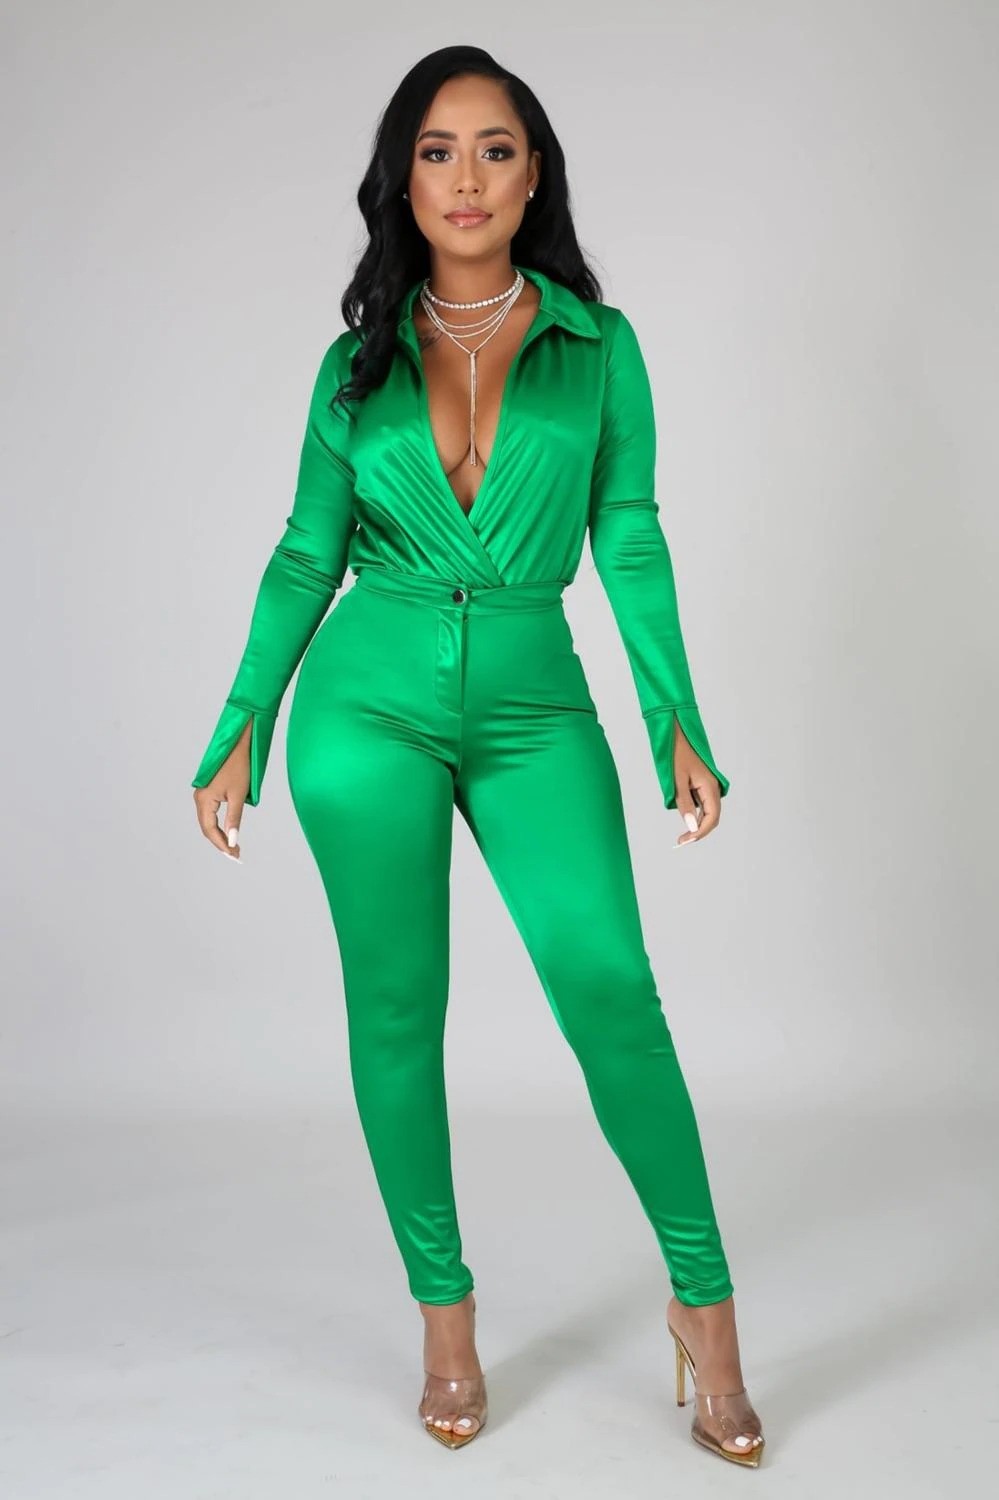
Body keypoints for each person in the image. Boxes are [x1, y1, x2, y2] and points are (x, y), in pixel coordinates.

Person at [190, 45, 765, 1466]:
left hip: (532, 706)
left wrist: (674, 717)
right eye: (437, 152)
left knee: (609, 986)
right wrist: (243, 719)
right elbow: (306, 553)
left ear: (534, 173)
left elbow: (628, 533)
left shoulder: (597, 346)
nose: (466, 178)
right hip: (366, 703)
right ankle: (445, 1319)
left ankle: (706, 1309)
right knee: (399, 1011)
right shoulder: (354, 364)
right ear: (403, 181)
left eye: (495, 149)